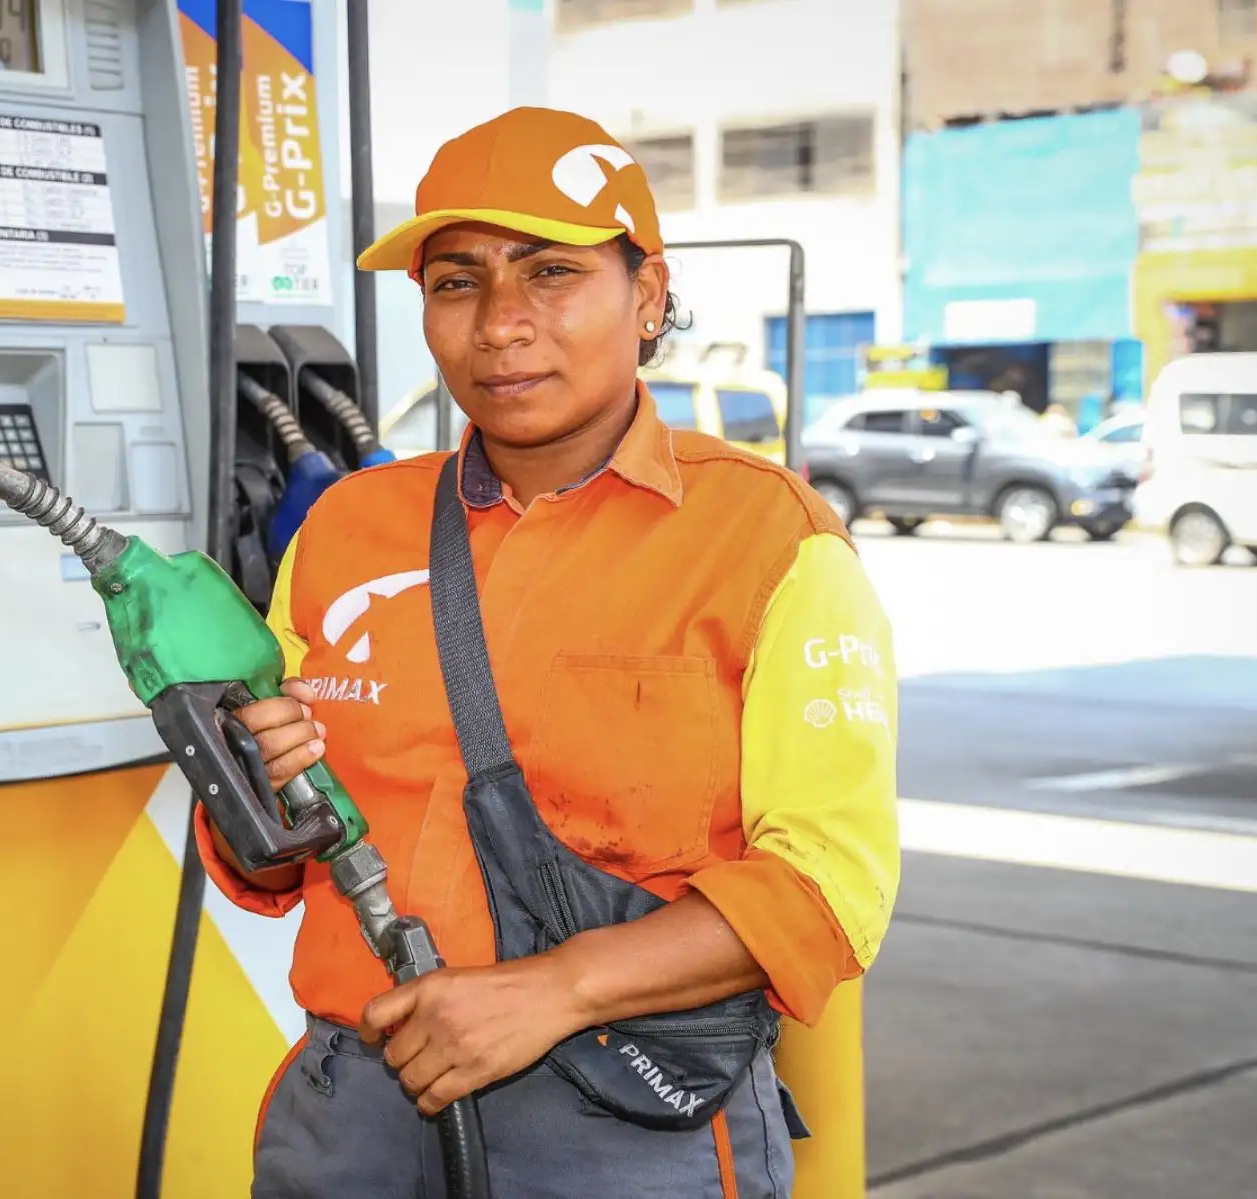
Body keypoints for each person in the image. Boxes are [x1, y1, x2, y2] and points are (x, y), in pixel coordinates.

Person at [199, 106, 900, 1198]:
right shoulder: (345, 529)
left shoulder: (770, 539)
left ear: (649, 294)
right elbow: (276, 855)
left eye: (551, 273)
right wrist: (252, 788)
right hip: (353, 1111)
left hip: (620, 1112)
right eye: (457, 281)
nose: (500, 324)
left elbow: (826, 886)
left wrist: (560, 987)